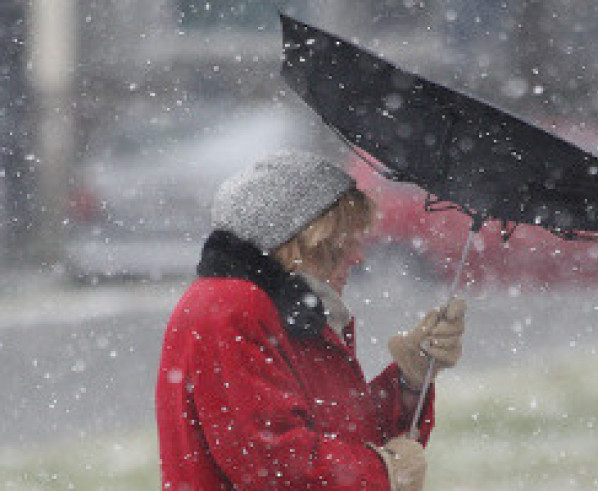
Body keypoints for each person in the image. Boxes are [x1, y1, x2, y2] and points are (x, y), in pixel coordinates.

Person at [156, 150, 467, 490]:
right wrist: (382, 472)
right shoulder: (231, 306)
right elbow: (271, 462)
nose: (357, 256)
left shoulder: (290, 311)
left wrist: (409, 382)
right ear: (301, 241)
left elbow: (343, 430)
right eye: (344, 240)